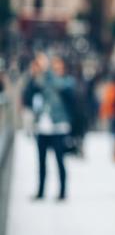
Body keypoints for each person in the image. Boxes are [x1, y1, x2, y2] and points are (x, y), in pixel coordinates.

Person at [23, 55, 77, 200]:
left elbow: (68, 96)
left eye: (58, 67)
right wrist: (34, 74)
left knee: (60, 161)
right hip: (43, 126)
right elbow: (28, 95)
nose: (55, 70)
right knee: (41, 161)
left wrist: (46, 72)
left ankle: (62, 191)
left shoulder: (67, 83)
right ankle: (41, 190)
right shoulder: (41, 81)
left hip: (59, 127)